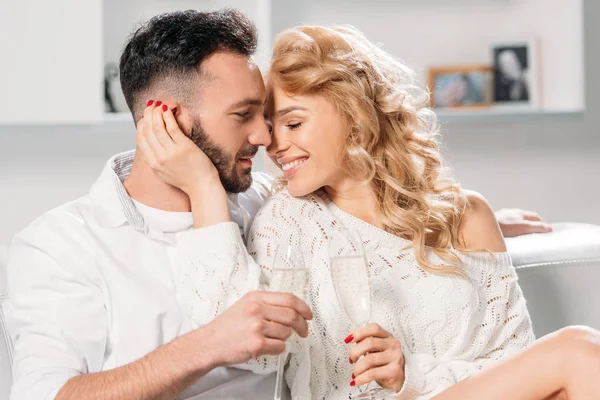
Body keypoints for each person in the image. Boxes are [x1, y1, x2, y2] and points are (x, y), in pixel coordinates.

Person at [140, 25, 600, 399]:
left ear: (354, 112)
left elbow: (515, 363)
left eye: (294, 123)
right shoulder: (286, 221)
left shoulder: (467, 216)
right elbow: (244, 348)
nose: (273, 145)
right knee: (579, 350)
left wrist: (410, 374)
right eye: (268, 125)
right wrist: (204, 189)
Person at [5, 10, 313, 400]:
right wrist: (208, 344)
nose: (264, 135)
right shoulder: (61, 245)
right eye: (242, 114)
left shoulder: (272, 203)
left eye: (263, 113)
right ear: (165, 118)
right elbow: (44, 394)